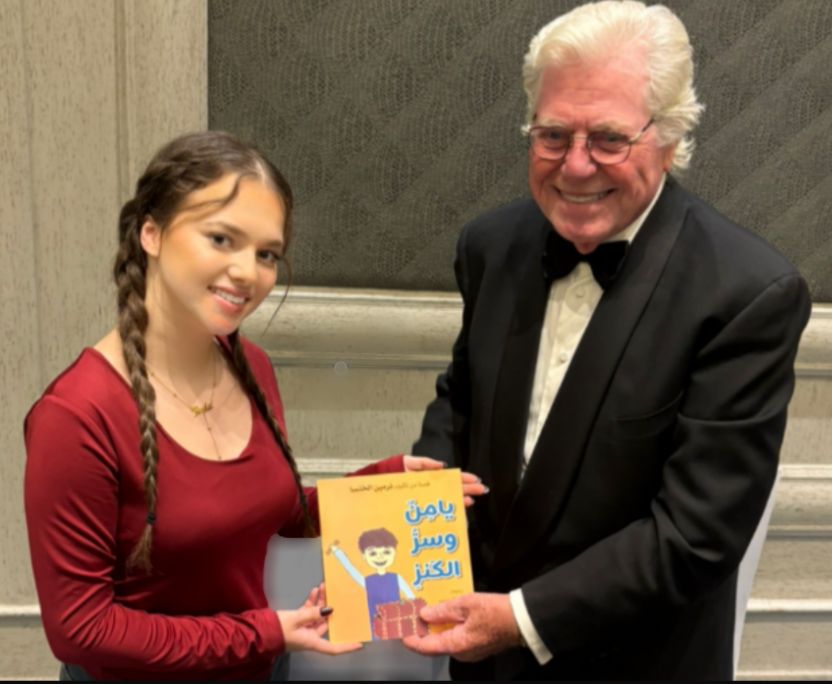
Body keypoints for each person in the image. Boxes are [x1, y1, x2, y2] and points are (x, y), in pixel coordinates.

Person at [403, 1, 812, 680]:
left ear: (670, 137)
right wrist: (413, 528)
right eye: (553, 134)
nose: (575, 165)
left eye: (609, 139)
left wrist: (519, 620)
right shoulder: (489, 245)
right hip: (480, 658)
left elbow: (695, 535)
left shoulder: (749, 293)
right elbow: (461, 402)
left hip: (638, 661)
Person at [23, 131, 484, 681]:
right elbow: (82, 629)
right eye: (221, 239)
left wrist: (385, 485)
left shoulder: (251, 368)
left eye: (267, 254)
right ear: (151, 232)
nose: (248, 272)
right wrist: (263, 634)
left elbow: (275, 513)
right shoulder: (76, 416)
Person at [329, 528, 416, 639]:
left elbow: (411, 596)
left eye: (386, 552)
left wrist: (405, 606)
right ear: (364, 556)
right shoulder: (368, 581)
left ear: (394, 552)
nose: (380, 557)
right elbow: (351, 570)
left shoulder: (396, 578)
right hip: (377, 625)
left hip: (396, 622)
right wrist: (338, 552)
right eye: (373, 553)